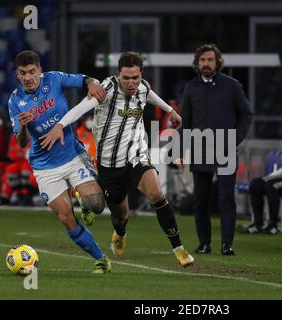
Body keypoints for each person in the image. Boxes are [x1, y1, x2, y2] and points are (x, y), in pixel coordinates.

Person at [40, 51, 195, 268]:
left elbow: (149, 93)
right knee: (121, 216)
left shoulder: (143, 87)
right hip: (110, 164)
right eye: (126, 78)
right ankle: (120, 232)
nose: (131, 83)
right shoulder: (106, 90)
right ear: (118, 75)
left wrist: (170, 110)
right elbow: (80, 108)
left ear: (141, 75)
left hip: (136, 155)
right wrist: (59, 126)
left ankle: (179, 248)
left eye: (135, 78)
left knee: (156, 194)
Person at [7, 50, 112, 273]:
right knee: (66, 217)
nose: (28, 77)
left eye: (32, 72)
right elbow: (21, 142)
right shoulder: (15, 101)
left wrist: (92, 83)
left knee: (97, 205)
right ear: (17, 74)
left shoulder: (54, 79)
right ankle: (100, 259)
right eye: (23, 73)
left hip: (72, 155)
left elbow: (82, 79)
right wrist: (24, 126)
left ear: (40, 70)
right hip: (45, 166)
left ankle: (83, 200)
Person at [177, 44, 253, 255]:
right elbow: (185, 122)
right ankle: (204, 243)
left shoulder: (232, 86)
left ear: (217, 62)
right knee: (200, 200)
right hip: (200, 149)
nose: (206, 64)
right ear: (197, 63)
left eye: (210, 60)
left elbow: (247, 114)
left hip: (226, 149)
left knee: (226, 198)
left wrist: (234, 139)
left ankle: (227, 244)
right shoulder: (191, 87)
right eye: (202, 60)